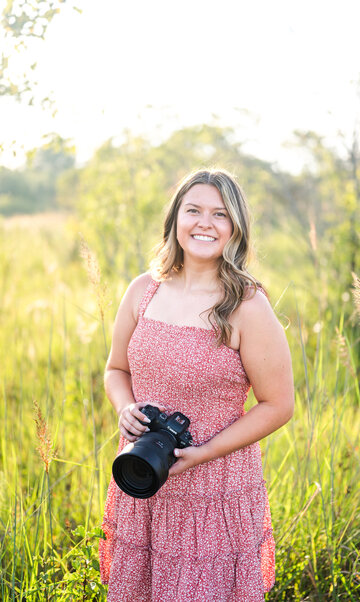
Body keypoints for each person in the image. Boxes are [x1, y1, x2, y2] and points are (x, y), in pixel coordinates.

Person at [99, 168, 294, 602]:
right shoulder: (142, 291)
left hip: (214, 489)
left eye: (220, 214)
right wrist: (123, 407)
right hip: (143, 475)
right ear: (175, 221)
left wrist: (202, 453)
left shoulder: (247, 305)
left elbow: (278, 405)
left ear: (235, 228)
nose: (205, 223)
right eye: (194, 210)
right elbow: (115, 370)